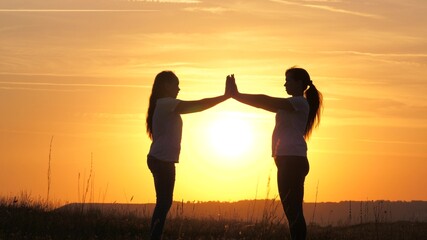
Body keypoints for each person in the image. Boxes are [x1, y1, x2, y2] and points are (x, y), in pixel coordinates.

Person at [226, 67, 322, 240]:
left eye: (288, 80)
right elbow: (264, 103)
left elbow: (265, 100)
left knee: (293, 211)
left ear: (300, 83)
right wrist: (237, 96)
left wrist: (237, 95)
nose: (285, 83)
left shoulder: (299, 103)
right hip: (288, 161)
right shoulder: (292, 104)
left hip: (292, 161)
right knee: (291, 211)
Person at [146, 71, 230, 240]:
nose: (179, 88)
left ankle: (155, 236)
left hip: (161, 159)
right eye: (175, 84)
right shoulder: (166, 104)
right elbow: (198, 105)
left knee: (164, 202)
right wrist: (224, 97)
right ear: (165, 86)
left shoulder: (162, 104)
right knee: (164, 203)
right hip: (162, 160)